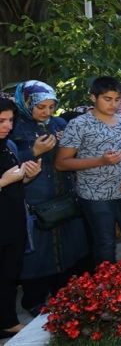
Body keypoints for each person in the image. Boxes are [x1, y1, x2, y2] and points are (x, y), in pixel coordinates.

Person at [11, 80, 89, 317]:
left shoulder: (59, 123)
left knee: (66, 249)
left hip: (63, 198)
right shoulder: (14, 127)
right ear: (25, 104)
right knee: (38, 254)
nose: (46, 112)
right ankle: (33, 300)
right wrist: (33, 152)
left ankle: (62, 295)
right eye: (40, 107)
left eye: (51, 106)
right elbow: (9, 162)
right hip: (33, 201)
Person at [55, 76, 121, 266]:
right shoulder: (79, 124)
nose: (113, 104)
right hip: (95, 194)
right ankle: (105, 289)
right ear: (93, 97)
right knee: (105, 242)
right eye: (107, 99)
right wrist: (100, 161)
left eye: (117, 99)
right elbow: (61, 163)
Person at [0, 98, 42, 339]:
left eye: (10, 120)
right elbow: (5, 181)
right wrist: (5, 181)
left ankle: (7, 321)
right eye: (1, 121)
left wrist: (27, 176)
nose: (7, 125)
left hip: (13, 223)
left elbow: (15, 183)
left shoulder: (8, 146)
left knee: (8, 276)